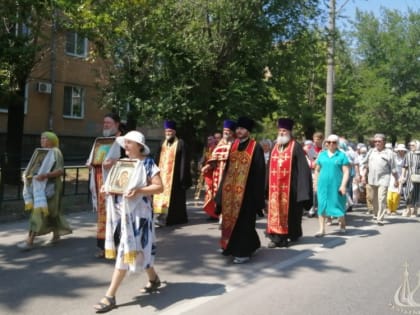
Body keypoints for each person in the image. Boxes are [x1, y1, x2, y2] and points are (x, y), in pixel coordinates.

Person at [93, 131, 164, 313]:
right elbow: (117, 184)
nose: (125, 146)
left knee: (126, 252)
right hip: (122, 216)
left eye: (129, 143)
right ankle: (154, 279)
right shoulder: (123, 163)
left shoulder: (148, 163)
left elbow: (159, 187)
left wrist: (139, 191)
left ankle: (110, 296)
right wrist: (106, 188)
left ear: (139, 146)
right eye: (124, 143)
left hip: (140, 217)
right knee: (139, 250)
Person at [215, 117, 265, 264]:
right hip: (230, 192)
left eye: (242, 129)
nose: (239, 131)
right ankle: (231, 247)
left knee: (244, 223)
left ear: (248, 131)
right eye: (237, 129)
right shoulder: (234, 145)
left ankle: (243, 252)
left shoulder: (255, 147)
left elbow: (260, 173)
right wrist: (221, 192)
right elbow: (227, 169)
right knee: (231, 222)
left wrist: (258, 197)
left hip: (247, 194)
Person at [18, 131, 72, 250]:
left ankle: (29, 241)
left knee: (42, 211)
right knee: (50, 211)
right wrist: (27, 174)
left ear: (52, 140)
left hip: (51, 186)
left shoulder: (56, 152)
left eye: (45, 139)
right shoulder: (41, 152)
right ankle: (56, 236)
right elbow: (35, 168)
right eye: (41, 138)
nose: (42, 141)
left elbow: (60, 171)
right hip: (41, 186)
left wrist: (45, 175)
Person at [266, 118, 313, 248]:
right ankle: (275, 237)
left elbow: (303, 169)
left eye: (284, 130)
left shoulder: (296, 147)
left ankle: (289, 235)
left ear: (289, 132)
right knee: (275, 213)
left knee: (291, 214)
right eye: (280, 130)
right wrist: (265, 186)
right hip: (275, 188)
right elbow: (269, 166)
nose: (281, 132)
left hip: (291, 188)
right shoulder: (274, 147)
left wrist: (303, 190)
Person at [87, 113, 124, 258]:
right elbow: (93, 159)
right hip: (100, 184)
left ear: (117, 124)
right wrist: (90, 163)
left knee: (116, 215)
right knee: (103, 216)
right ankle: (104, 248)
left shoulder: (122, 141)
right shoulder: (101, 141)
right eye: (104, 123)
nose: (106, 125)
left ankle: (118, 247)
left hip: (116, 186)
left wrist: (115, 162)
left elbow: (131, 160)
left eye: (108, 123)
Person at [153, 120, 192, 226]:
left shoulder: (181, 143)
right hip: (162, 176)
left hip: (175, 178)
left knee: (174, 199)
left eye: (170, 131)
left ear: (174, 132)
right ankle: (159, 217)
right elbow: (157, 159)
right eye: (166, 131)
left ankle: (173, 219)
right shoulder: (162, 143)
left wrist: (183, 178)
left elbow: (184, 161)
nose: (168, 133)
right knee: (159, 196)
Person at [314, 134, 350, 236]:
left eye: (333, 142)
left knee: (337, 204)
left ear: (337, 144)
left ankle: (342, 224)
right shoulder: (322, 155)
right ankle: (322, 229)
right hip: (323, 185)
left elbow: (346, 172)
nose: (330, 144)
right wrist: (315, 183)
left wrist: (343, 185)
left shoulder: (341, 155)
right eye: (328, 142)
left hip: (336, 185)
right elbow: (317, 170)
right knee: (322, 206)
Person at [201, 119, 236, 219]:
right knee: (218, 194)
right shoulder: (219, 145)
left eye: (228, 131)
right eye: (224, 130)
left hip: (230, 174)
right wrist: (207, 166)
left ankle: (229, 215)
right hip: (218, 174)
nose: (225, 132)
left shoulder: (236, 145)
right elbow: (213, 160)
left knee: (229, 194)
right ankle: (220, 215)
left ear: (232, 132)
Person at [361, 133, 399, 225]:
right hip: (372, 179)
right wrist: (363, 176)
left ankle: (380, 218)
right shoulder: (371, 151)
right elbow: (365, 165)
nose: (377, 143)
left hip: (384, 178)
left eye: (379, 141)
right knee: (373, 198)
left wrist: (396, 180)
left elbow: (393, 168)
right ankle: (375, 214)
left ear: (384, 142)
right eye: (375, 141)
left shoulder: (389, 153)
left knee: (381, 198)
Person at [401, 140, 420, 217]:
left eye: (413, 145)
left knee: (416, 194)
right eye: (410, 145)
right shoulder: (407, 155)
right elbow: (404, 167)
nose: (411, 147)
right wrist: (403, 176)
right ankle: (408, 209)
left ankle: (414, 211)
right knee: (408, 193)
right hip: (409, 178)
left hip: (418, 178)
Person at [387, 144, 406, 215]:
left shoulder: (406, 158)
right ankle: (389, 208)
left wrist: (403, 178)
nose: (401, 151)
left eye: (402, 150)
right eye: (399, 150)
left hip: (401, 177)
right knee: (389, 194)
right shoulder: (393, 157)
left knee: (397, 194)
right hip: (392, 176)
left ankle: (394, 209)